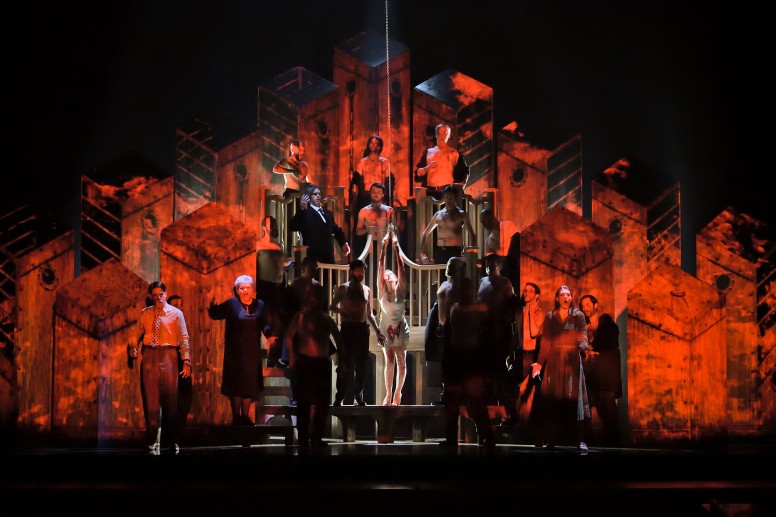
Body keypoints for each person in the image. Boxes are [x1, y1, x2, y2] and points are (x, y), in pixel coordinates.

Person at [128, 280, 192, 454]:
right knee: (151, 401)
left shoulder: (176, 314)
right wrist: (133, 345)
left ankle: (172, 440)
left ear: (165, 294)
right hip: (149, 356)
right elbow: (135, 333)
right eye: (154, 295)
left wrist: (186, 360)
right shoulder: (145, 314)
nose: (158, 298)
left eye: (161, 294)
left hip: (169, 356)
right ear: (151, 296)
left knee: (171, 401)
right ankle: (152, 441)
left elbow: (184, 338)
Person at [284, 283, 345, 447]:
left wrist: (342, 360)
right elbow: (289, 337)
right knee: (303, 401)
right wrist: (292, 358)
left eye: (318, 296)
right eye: (312, 296)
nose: (315, 299)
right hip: (305, 363)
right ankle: (303, 436)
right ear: (308, 298)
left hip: (321, 364)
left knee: (322, 403)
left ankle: (316, 436)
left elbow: (338, 338)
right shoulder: (301, 316)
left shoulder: (325, 318)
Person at [531, 285, 591, 451]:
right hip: (555, 364)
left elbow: (583, 336)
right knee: (553, 401)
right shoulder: (551, 316)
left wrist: (585, 348)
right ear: (557, 298)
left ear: (571, 297)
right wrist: (539, 363)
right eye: (562, 295)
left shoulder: (578, 315)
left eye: (568, 294)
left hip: (571, 363)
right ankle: (551, 439)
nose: (566, 297)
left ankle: (580, 440)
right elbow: (546, 343)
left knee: (576, 401)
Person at [441, 275, 495, 448]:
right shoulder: (459, 308)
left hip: (469, 358)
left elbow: (486, 334)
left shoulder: (473, 309)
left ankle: (486, 435)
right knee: (455, 401)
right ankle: (454, 438)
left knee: (475, 400)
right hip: (460, 357)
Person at [207, 275, 267, 426]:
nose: (245, 290)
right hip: (234, 353)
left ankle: (245, 417)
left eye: (248, 287)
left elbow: (264, 324)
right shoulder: (232, 304)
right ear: (237, 290)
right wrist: (212, 305)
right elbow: (216, 314)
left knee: (249, 386)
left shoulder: (260, 305)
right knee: (236, 386)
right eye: (242, 288)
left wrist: (270, 335)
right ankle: (236, 417)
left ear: (252, 289)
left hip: (252, 353)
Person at [330, 259, 386, 406]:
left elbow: (369, 313)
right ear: (352, 271)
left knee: (362, 365)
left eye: (362, 271)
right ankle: (339, 397)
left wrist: (378, 331)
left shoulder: (366, 290)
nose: (360, 273)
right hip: (348, 328)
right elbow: (332, 306)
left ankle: (358, 395)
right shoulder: (343, 288)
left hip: (362, 329)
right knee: (345, 363)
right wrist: (342, 311)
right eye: (358, 270)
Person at [476, 253, 521, 423]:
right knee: (486, 375)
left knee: (501, 374)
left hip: (501, 333)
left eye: (493, 264)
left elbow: (511, 308)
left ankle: (509, 413)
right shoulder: (481, 283)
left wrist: (510, 333)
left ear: (498, 266)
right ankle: (490, 412)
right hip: (485, 333)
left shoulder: (505, 284)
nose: (490, 267)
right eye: (487, 265)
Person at [579, 294, 623, 446]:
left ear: (595, 305)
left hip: (606, 378)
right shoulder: (585, 326)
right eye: (582, 305)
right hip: (592, 378)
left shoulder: (606, 321)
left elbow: (607, 338)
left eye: (587, 304)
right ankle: (589, 443)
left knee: (609, 414)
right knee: (586, 412)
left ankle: (614, 445)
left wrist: (591, 347)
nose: (584, 308)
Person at [377, 230, 410, 406]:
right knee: (389, 360)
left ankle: (398, 393)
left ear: (396, 279)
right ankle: (388, 394)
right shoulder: (382, 290)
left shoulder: (401, 290)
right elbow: (381, 265)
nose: (388, 274)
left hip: (401, 327)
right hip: (386, 327)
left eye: (391, 273)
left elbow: (402, 267)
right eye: (386, 274)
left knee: (401, 361)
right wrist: (383, 246)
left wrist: (396, 247)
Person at [511, 282, 545, 435]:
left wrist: (531, 313)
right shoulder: (519, 312)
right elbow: (516, 334)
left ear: (536, 296)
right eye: (525, 291)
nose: (526, 294)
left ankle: (530, 426)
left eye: (530, 291)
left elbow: (533, 332)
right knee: (514, 386)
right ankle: (516, 420)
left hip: (533, 356)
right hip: (520, 354)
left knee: (530, 391)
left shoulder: (540, 313)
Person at [434, 257, 467, 408]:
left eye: (452, 266)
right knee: (446, 364)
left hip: (458, 328)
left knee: (458, 363)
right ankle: (447, 393)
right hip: (446, 327)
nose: (450, 268)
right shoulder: (444, 285)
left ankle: (460, 395)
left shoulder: (462, 287)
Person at [290, 184, 351, 264]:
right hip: (314, 258)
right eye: (315, 194)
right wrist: (302, 210)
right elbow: (293, 226)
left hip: (328, 257)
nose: (318, 196)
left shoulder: (327, 213)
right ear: (309, 197)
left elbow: (335, 230)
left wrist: (343, 242)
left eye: (319, 194)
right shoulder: (306, 213)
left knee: (330, 276)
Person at [418, 185, 476, 266]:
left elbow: (472, 235)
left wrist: (469, 251)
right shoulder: (438, 215)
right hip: (440, 251)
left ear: (454, 198)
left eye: (450, 197)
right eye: (446, 197)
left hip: (455, 251)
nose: (448, 200)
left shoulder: (462, 214)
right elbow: (425, 234)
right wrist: (423, 254)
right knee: (441, 277)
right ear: (443, 198)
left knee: (454, 275)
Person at [413, 123, 469, 202]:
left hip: (448, 193)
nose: (442, 136)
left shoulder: (454, 153)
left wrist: (460, 187)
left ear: (449, 135)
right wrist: (428, 167)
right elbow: (418, 173)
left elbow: (465, 171)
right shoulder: (428, 152)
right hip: (430, 193)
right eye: (439, 133)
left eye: (445, 133)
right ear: (436, 134)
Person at [167, 295, 192, 440]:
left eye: (180, 304)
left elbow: (185, 342)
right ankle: (171, 434)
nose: (179, 307)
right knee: (172, 399)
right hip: (172, 361)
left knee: (185, 398)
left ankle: (178, 432)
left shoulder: (182, 322)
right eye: (175, 305)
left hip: (183, 362)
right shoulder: (169, 322)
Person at [354, 135, 393, 206]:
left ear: (379, 146)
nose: (373, 145)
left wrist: (385, 195)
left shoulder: (385, 162)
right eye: (371, 143)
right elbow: (358, 181)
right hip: (366, 195)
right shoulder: (362, 162)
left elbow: (387, 180)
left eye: (376, 143)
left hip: (380, 195)